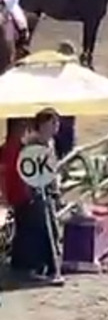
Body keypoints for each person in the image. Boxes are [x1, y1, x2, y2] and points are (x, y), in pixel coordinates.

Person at [2, 109, 64, 286]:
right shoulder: (30, 145)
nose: (56, 127)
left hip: (44, 191)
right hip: (29, 193)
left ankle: (48, 265)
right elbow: (26, 169)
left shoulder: (48, 143)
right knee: (34, 229)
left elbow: (51, 168)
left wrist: (55, 190)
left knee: (47, 228)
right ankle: (31, 267)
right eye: (52, 123)